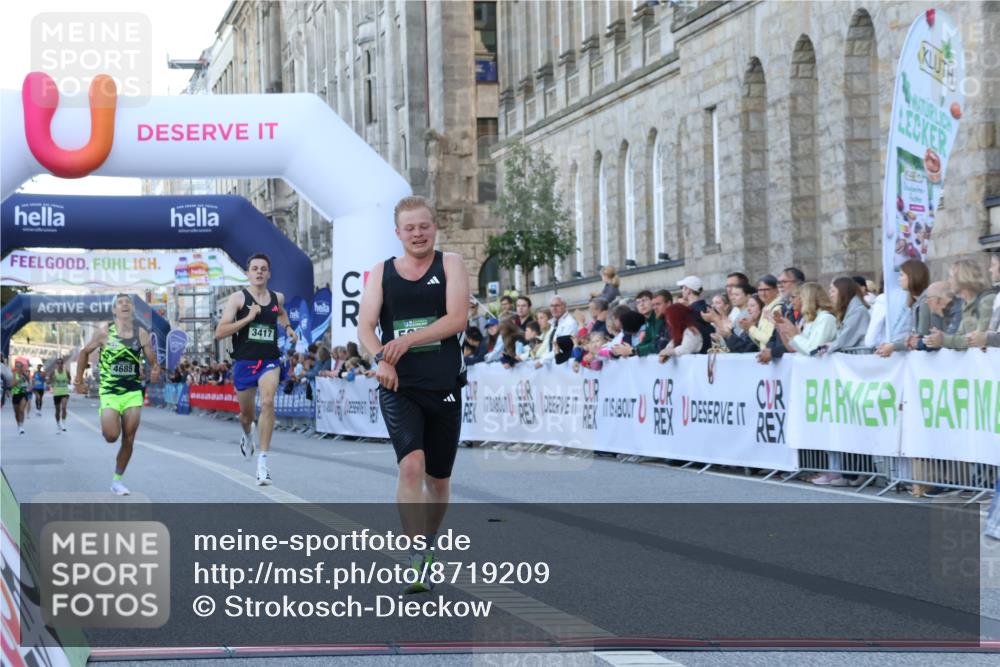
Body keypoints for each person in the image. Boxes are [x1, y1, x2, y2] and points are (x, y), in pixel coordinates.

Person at [357, 195, 469, 595]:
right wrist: (380, 359)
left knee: (438, 480)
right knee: (410, 467)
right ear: (397, 233)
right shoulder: (381, 272)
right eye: (410, 228)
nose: (418, 234)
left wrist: (405, 341)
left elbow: (458, 318)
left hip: (443, 385)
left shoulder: (450, 263)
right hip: (398, 385)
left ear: (434, 227)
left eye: (424, 226)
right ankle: (415, 554)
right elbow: (366, 326)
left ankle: (430, 542)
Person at [214, 253, 298, 486]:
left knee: (269, 401)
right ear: (248, 273)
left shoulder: (277, 297)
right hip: (244, 363)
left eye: (263, 268)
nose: (259, 272)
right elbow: (219, 333)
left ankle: (263, 462)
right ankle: (247, 435)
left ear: (269, 273)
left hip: (269, 360)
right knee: (246, 415)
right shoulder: (238, 299)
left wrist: (289, 328)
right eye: (254, 268)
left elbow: (279, 312)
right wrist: (248, 318)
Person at [74, 294, 162, 495]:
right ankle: (108, 419)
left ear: (132, 309)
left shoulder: (141, 334)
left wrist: (156, 369)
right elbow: (84, 352)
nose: (125, 304)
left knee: (128, 439)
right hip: (110, 393)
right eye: (120, 302)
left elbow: (152, 360)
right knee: (112, 436)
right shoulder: (103, 333)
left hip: (132, 392)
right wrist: (79, 381)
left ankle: (117, 481)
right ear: (114, 310)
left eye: (128, 302)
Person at [925, 259, 995, 350]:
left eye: (951, 277)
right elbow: (960, 336)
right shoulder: (965, 304)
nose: (948, 281)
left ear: (963, 278)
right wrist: (941, 337)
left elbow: (978, 340)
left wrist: (943, 340)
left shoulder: (987, 300)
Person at [876, 260, 930, 357]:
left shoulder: (925, 302)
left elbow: (920, 339)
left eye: (901, 275)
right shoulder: (915, 303)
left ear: (912, 276)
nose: (898, 279)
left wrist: (893, 346)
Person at [773, 283, 837, 356]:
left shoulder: (826, 319)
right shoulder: (812, 319)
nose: (799, 300)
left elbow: (815, 351)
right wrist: (783, 327)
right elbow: (795, 348)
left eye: (802, 297)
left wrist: (795, 335)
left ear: (809, 299)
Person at [825, 277, 871, 353]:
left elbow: (845, 339)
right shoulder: (848, 310)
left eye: (833, 291)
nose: (830, 294)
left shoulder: (858, 311)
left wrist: (827, 348)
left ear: (843, 292)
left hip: (859, 359)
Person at [676, 276, 712, 353]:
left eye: (683, 288)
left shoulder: (689, 313)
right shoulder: (709, 308)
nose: (682, 291)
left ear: (688, 290)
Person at [636, 290, 671, 357]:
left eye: (644, 300)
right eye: (638, 302)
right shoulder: (648, 322)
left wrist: (634, 351)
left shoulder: (659, 318)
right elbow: (645, 342)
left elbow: (656, 343)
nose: (641, 304)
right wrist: (631, 349)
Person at [49, 358, 71, 432]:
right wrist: (52, 381)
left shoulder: (66, 372)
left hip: (65, 392)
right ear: (56, 364)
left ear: (63, 364)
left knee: (64, 408)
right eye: (58, 363)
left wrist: (68, 381)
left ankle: (63, 423)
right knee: (57, 411)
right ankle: (58, 423)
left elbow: (70, 379)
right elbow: (49, 380)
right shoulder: (53, 372)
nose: (60, 364)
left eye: (61, 363)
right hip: (57, 393)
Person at [10, 361, 30, 434]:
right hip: (16, 394)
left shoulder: (25, 375)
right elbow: (12, 385)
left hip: (23, 394)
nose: (19, 368)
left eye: (20, 366)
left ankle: (21, 426)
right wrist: (19, 380)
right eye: (17, 366)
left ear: (22, 367)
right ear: (16, 368)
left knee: (21, 410)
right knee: (16, 412)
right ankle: (18, 425)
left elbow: (29, 384)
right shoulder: (14, 374)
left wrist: (29, 386)